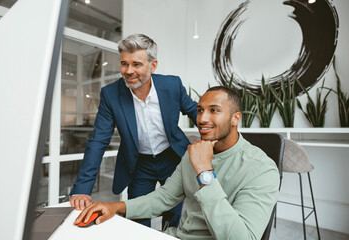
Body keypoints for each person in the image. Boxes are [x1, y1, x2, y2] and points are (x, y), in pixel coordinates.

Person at [74, 86, 280, 239]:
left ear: (236, 118)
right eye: (200, 110)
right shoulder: (194, 153)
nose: (202, 119)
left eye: (214, 110)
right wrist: (114, 207)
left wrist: (204, 172)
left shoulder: (262, 170)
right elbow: (164, 197)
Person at [70, 33, 198, 228]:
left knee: (173, 216)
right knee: (137, 219)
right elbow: (98, 141)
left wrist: (217, 139)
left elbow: (196, 112)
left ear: (153, 65)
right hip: (139, 165)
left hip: (172, 159)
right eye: (124, 64)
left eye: (137, 64)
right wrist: (82, 188)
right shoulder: (111, 94)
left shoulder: (172, 85)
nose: (129, 71)